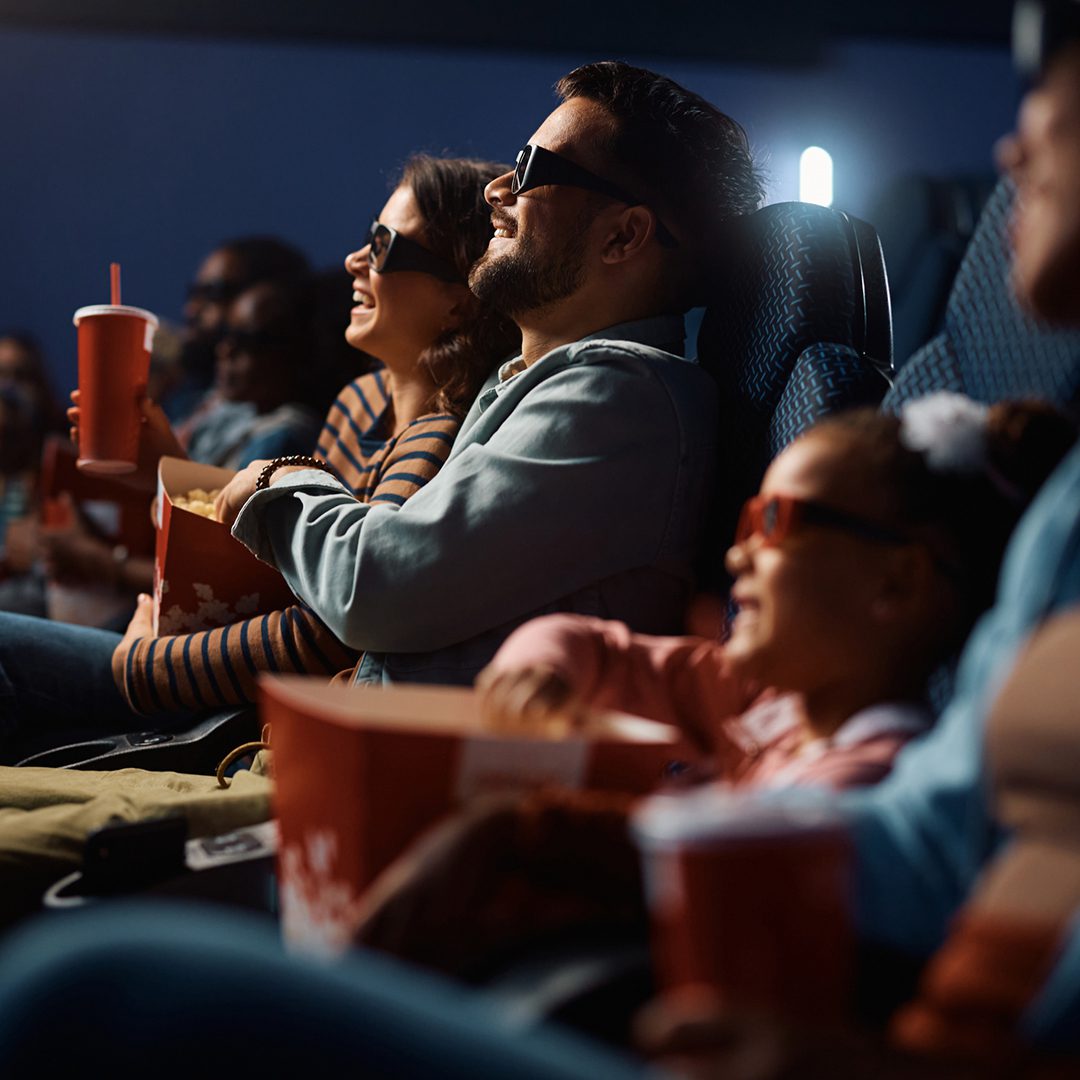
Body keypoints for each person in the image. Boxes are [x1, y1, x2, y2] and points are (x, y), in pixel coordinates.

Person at [345, 394, 1075, 975]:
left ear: (896, 579)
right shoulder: (767, 703)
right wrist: (538, 673)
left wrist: (531, 834)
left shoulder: (867, 775)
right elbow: (594, 645)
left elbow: (718, 873)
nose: (738, 553)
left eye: (775, 521)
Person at [212, 61, 761, 699]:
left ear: (623, 235)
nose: (497, 190)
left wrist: (282, 481)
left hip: (443, 789)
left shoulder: (620, 397)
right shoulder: (541, 384)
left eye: (532, 171)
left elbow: (378, 587)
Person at [0, 154, 518, 760]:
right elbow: (282, 579)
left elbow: (333, 634)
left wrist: (146, 664)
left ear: (459, 300)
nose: (354, 260)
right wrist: (168, 470)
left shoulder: (439, 436)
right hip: (197, 664)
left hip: (233, 706)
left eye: (381, 246)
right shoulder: (360, 400)